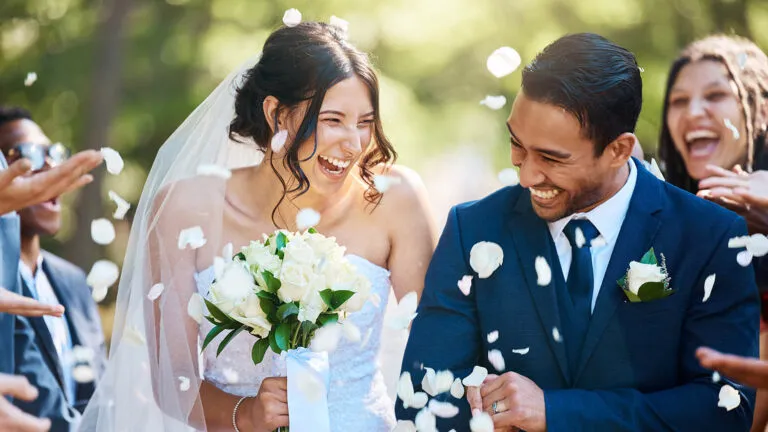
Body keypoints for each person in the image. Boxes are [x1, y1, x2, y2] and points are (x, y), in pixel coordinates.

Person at [80, 21, 436, 432]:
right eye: (333, 120)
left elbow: (440, 341)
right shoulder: (185, 209)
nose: (354, 144)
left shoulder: (394, 199)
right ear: (276, 113)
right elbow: (172, 379)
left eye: (364, 122)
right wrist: (244, 414)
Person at [397, 33, 759, 431]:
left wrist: (555, 413)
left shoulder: (710, 235)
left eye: (552, 158)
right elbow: (422, 403)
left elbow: (724, 409)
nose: (527, 175)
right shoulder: (472, 228)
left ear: (619, 150)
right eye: (518, 145)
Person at [658, 35, 768, 431]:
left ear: (763, 113)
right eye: (679, 101)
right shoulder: (662, 215)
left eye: (716, 95)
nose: (694, 112)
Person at [0, 108, 107, 415]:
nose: (48, 164)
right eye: (26, 153)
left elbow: (98, 392)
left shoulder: (73, 281)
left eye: (53, 153)